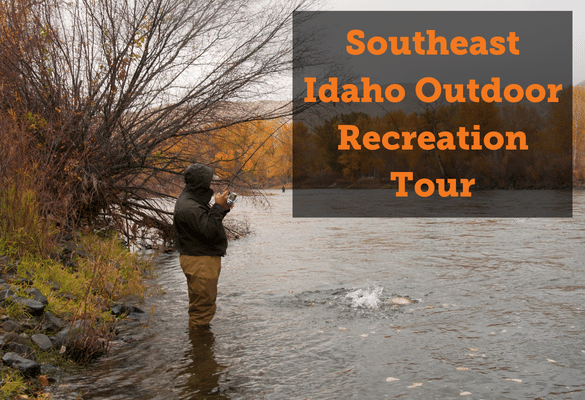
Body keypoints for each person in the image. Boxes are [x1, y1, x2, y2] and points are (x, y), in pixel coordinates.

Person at [172, 163, 232, 329]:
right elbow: (209, 230)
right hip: (200, 262)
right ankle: (200, 348)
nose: (210, 185)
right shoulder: (190, 206)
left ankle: (199, 345)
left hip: (199, 259)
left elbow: (204, 224)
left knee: (201, 307)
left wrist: (223, 209)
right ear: (201, 183)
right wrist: (218, 207)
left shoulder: (191, 201)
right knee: (202, 312)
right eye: (208, 182)